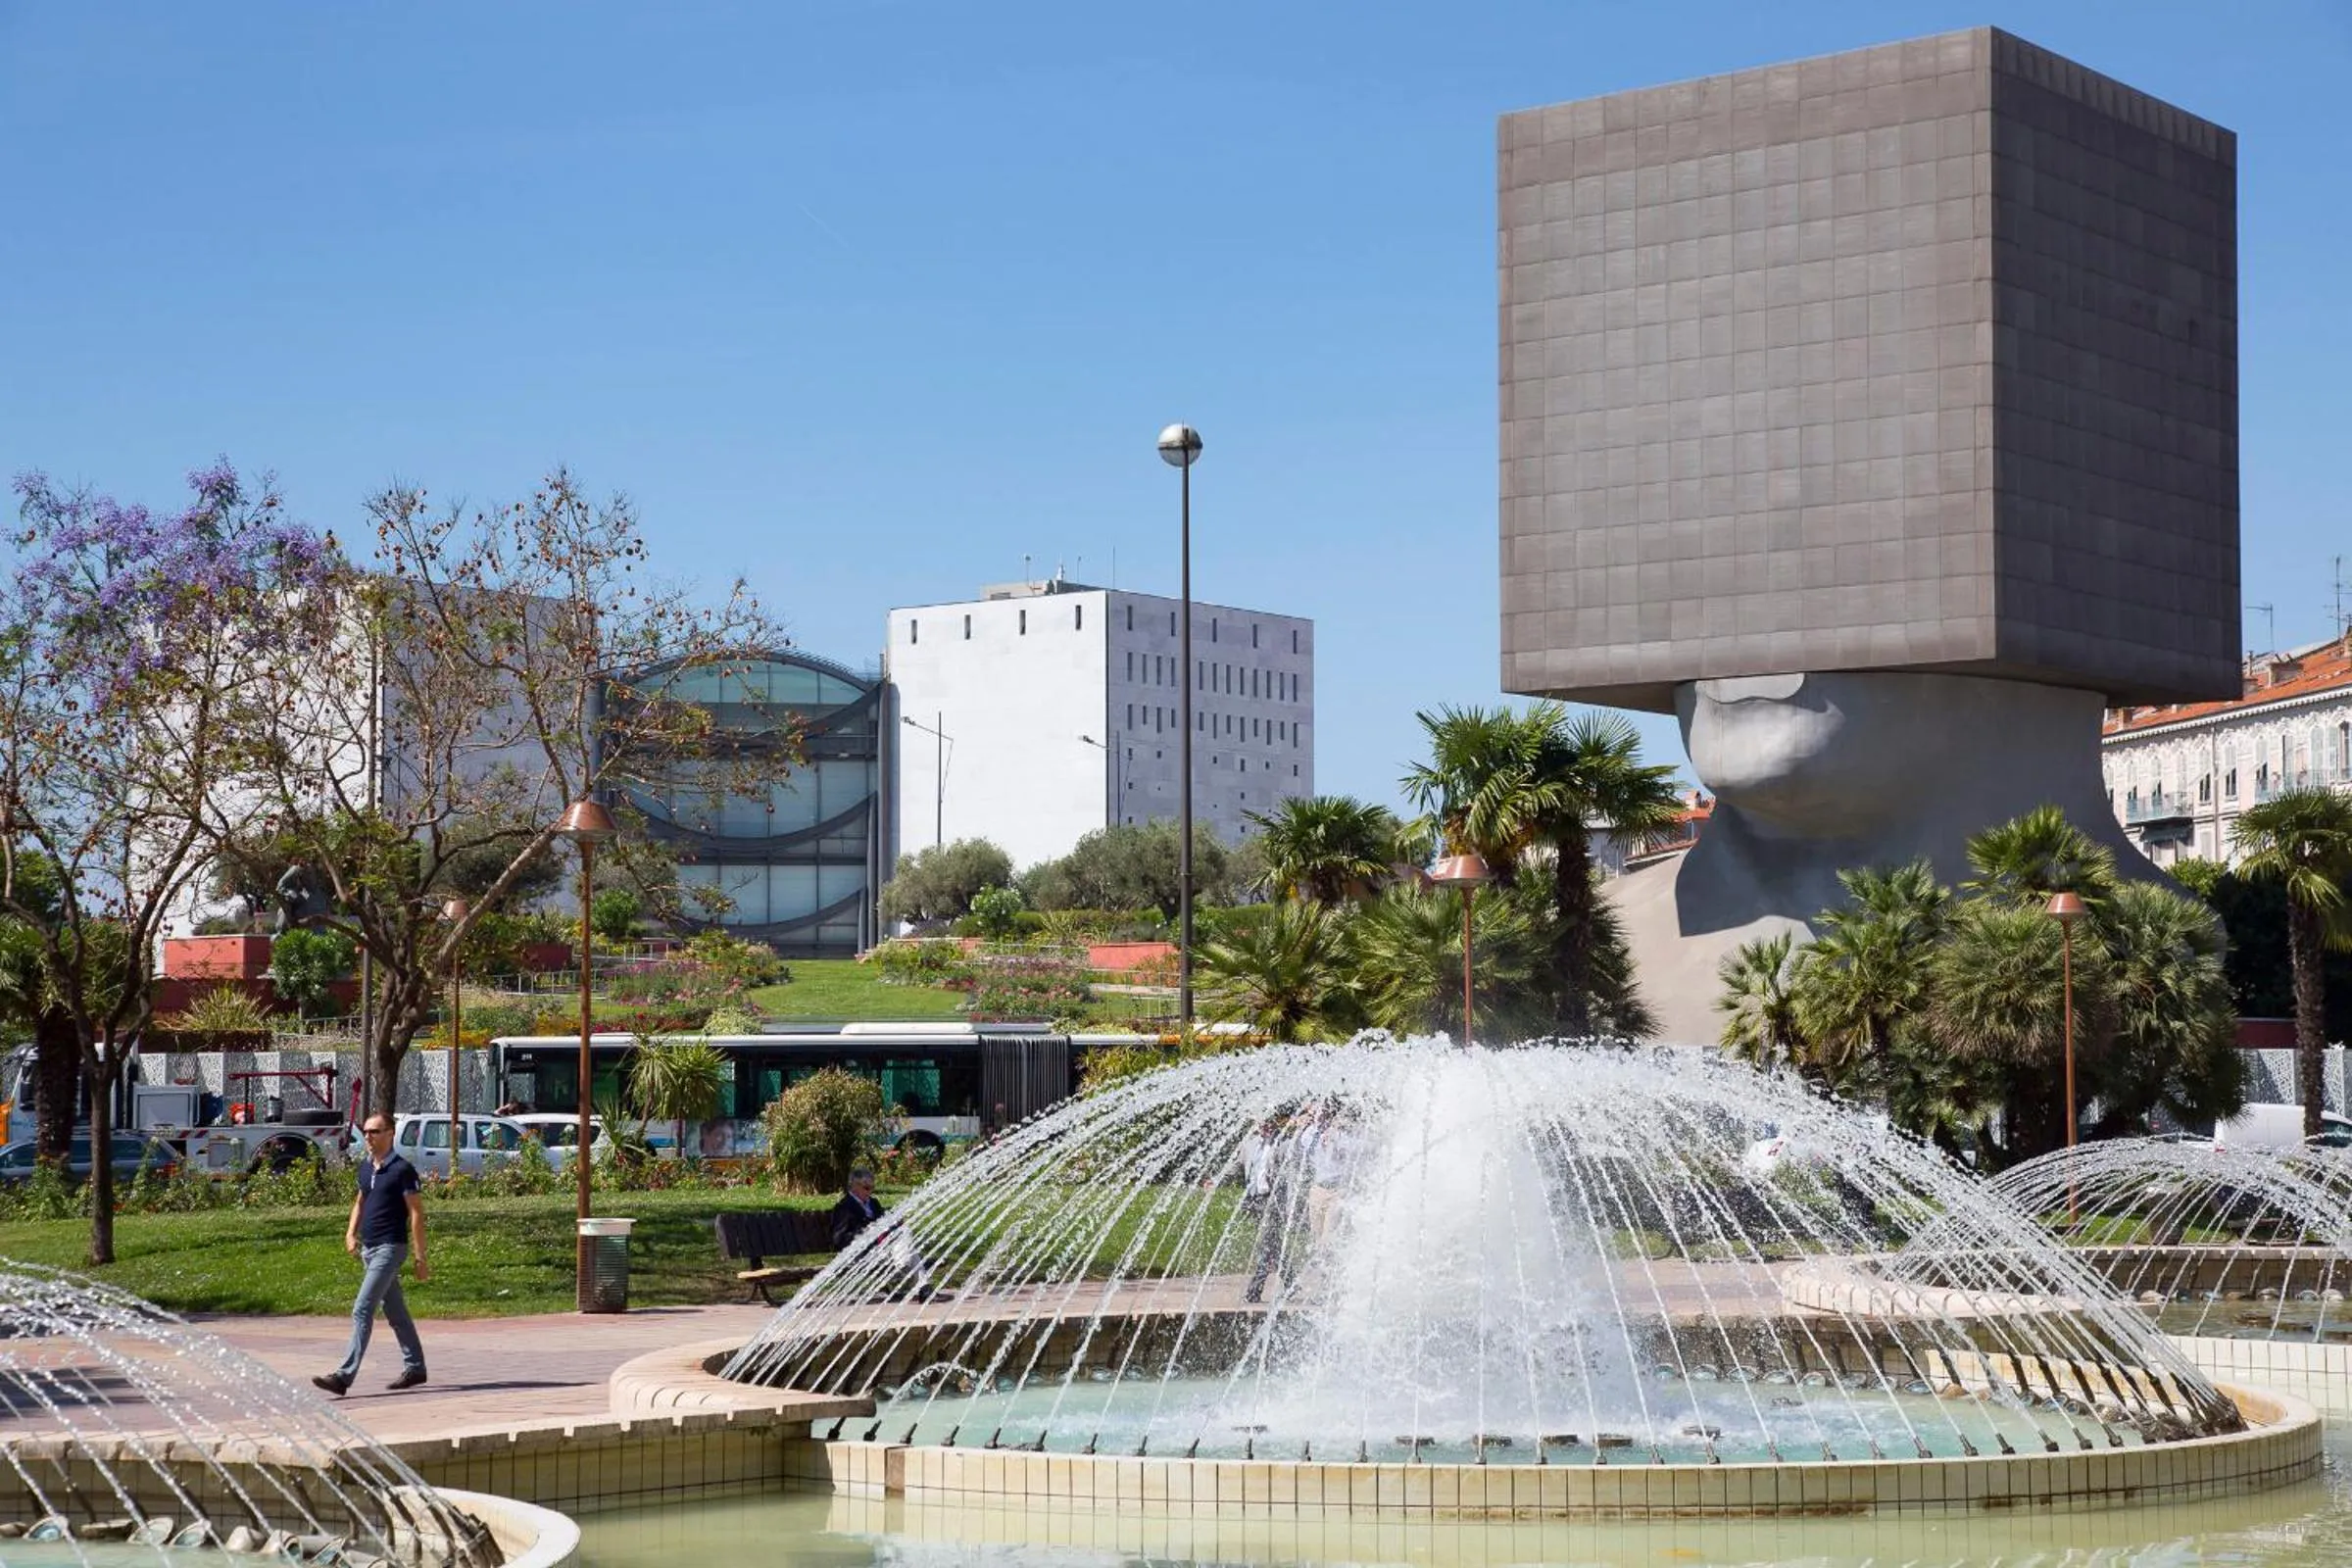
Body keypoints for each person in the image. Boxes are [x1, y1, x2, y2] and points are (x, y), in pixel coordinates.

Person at [314, 1112, 428, 1396]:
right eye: (366, 1132)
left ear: (390, 1134)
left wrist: (420, 1256)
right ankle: (416, 1367)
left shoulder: (403, 1170)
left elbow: (416, 1213)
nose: (368, 1137)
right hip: (369, 1247)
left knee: (362, 1308)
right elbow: (360, 1201)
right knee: (395, 1311)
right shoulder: (366, 1168)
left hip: (390, 1247)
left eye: (375, 1132)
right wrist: (350, 1233)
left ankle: (343, 1376)